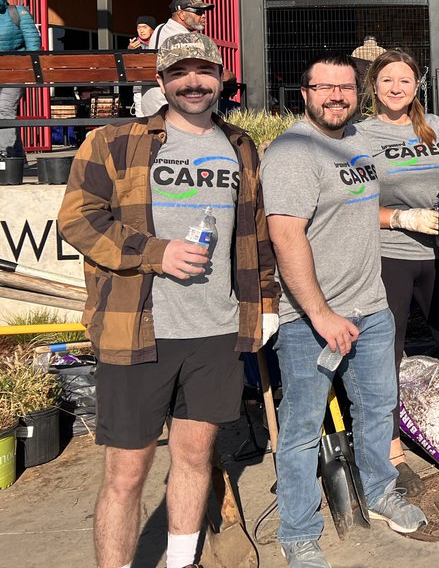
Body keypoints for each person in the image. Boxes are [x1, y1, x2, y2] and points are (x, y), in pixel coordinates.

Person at [56, 32, 278, 568]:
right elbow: (76, 219)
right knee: (126, 472)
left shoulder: (241, 146)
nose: (193, 82)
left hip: (215, 331)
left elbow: (256, 236)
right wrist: (155, 252)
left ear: (221, 78)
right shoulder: (114, 142)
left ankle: (180, 560)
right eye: (179, 73)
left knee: (195, 456)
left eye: (204, 72)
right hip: (135, 329)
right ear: (161, 82)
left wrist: (265, 303)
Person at [262, 53, 426, 567]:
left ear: (358, 93)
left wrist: (399, 215)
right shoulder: (292, 151)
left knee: (377, 410)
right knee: (303, 428)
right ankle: (299, 532)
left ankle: (379, 492)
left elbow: (353, 209)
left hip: (371, 305)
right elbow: (286, 236)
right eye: (325, 87)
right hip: (313, 317)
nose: (336, 96)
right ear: (305, 92)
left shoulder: (356, 141)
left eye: (345, 88)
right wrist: (321, 315)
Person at [356, 49, 439, 495]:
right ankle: (390, 442)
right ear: (373, 86)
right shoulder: (359, 134)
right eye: (388, 80)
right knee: (386, 351)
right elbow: (349, 202)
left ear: (418, 86)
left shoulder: (435, 127)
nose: (397, 88)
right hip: (391, 253)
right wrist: (398, 218)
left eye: (406, 80)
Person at [138, 0, 214, 117]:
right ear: (181, 14)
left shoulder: (159, 29)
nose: (204, 16)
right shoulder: (186, 38)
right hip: (173, 105)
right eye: (198, 11)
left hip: (149, 102)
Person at [0, 0, 41, 159]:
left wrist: (28, 70)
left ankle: (6, 154)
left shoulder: (17, 12)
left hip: (14, 70)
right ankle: (16, 155)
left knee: (5, 109)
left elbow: (33, 43)